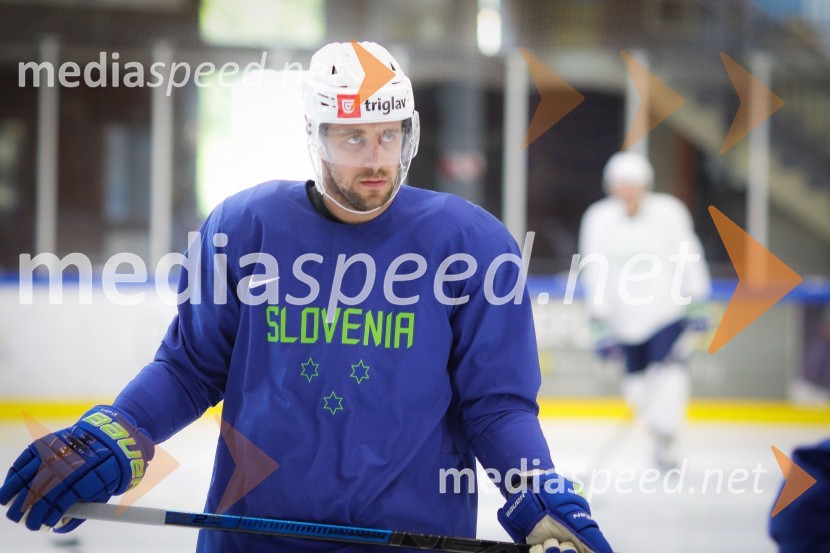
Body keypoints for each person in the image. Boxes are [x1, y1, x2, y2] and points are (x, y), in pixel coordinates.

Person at [0, 42, 613, 553]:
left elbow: (497, 407)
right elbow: (189, 369)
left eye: (390, 135)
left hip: (412, 540)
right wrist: (117, 432)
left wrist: (535, 489)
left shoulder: (474, 242)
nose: (377, 160)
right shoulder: (244, 226)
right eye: (352, 139)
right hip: (252, 538)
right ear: (315, 136)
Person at [578, 150, 711, 471]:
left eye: (632, 184)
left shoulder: (668, 212)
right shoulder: (598, 218)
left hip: (665, 314)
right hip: (624, 321)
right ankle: (659, 435)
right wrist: (598, 322)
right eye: (620, 185)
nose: (626, 192)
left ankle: (668, 439)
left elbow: (688, 253)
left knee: (667, 378)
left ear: (644, 185)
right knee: (637, 388)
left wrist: (698, 301)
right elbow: (594, 270)